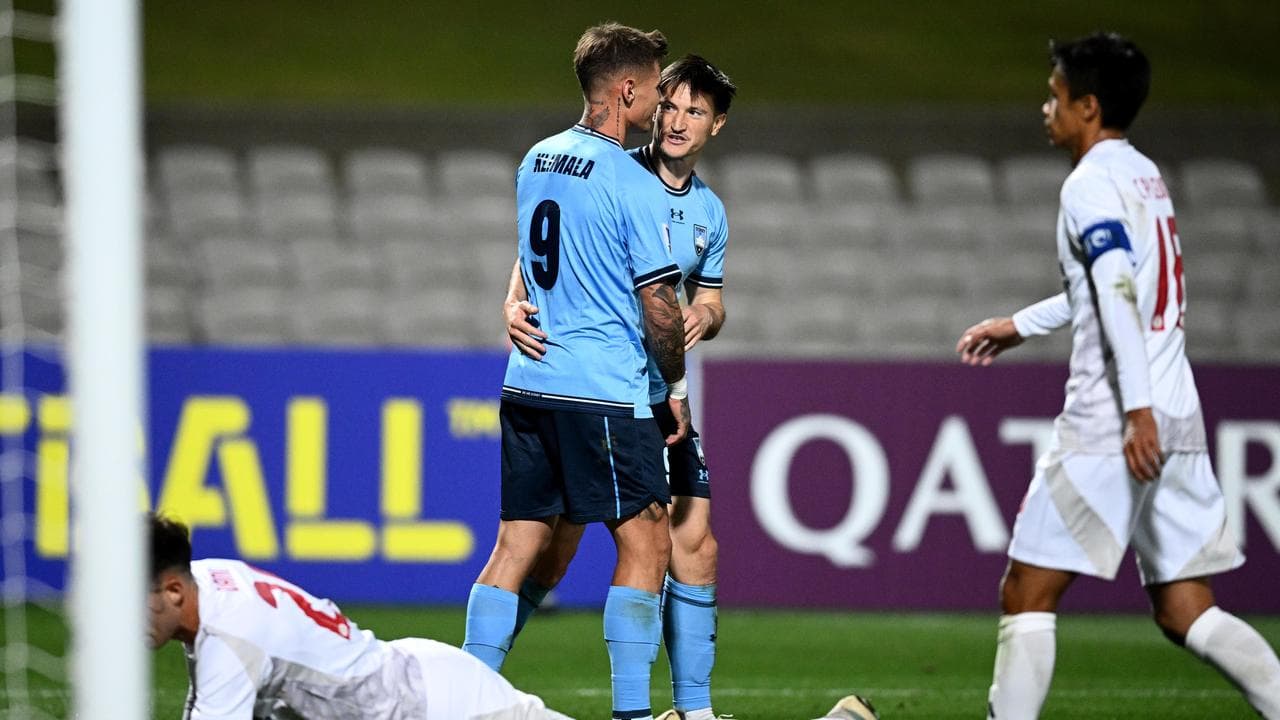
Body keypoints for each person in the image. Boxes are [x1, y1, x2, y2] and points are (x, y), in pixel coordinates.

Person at [955, 32, 1280, 719]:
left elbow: (1118, 291)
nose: (1047, 108)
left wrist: (1135, 413)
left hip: (1115, 420)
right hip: (1177, 408)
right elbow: (1113, 284)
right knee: (1186, 607)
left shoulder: (1089, 184)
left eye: (1056, 96)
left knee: (1026, 591)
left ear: (1089, 107)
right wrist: (1021, 324)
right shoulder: (1144, 175)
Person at [461, 23, 690, 720]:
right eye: (656, 90)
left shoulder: (538, 158)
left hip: (529, 381)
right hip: (602, 391)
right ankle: (632, 713)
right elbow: (660, 306)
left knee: (518, 546)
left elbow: (533, 251)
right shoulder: (632, 179)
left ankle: (458, 698)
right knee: (647, 539)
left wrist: (512, 299)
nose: (661, 104)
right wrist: (673, 387)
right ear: (627, 89)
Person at [505, 55, 734, 720]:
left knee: (696, 542)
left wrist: (705, 317)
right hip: (611, 389)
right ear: (652, 106)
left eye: (696, 111)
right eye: (672, 104)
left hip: (656, 390)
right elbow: (535, 248)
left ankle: (694, 709)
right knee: (555, 550)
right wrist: (511, 300)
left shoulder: (710, 212)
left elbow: (711, 299)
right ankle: (474, 679)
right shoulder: (616, 172)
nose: (679, 120)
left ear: (716, 125)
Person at [146, 513, 573, 720]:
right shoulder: (211, 579)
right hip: (416, 678)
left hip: (432, 707)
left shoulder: (230, 634)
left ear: (174, 590)